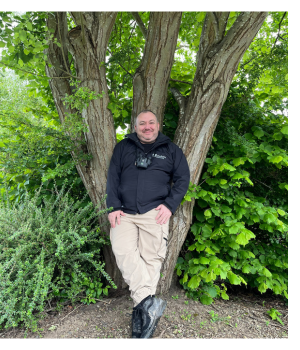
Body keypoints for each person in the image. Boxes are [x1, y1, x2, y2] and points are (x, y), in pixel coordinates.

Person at [106, 110, 190, 338]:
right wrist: (113, 206)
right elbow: (112, 176)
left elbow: (183, 178)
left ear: (158, 124)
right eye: (142, 123)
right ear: (135, 127)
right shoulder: (123, 147)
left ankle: (140, 316)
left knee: (151, 260)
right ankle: (148, 304)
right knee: (122, 250)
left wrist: (170, 205)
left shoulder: (171, 150)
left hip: (155, 213)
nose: (147, 126)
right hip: (124, 212)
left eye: (151, 122)